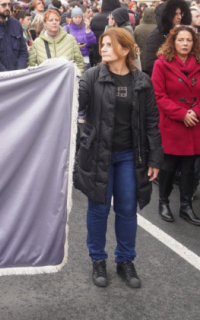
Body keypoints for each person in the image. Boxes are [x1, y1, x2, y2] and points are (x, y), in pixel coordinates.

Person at [75, 28, 163, 289]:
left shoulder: (141, 81)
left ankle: (125, 260)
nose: (103, 49)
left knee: (126, 209)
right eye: (102, 44)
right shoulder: (91, 77)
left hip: (129, 156)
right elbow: (73, 102)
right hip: (97, 154)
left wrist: (155, 159)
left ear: (125, 50)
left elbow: (151, 123)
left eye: (109, 45)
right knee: (99, 209)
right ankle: (98, 260)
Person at [151, 26, 200, 226]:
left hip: (194, 123)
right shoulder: (161, 64)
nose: (185, 44)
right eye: (181, 40)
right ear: (173, 42)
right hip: (172, 123)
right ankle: (163, 202)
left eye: (189, 40)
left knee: (190, 169)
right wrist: (182, 114)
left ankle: (186, 206)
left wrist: (195, 112)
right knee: (168, 167)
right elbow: (158, 95)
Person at [145, 0, 191, 76]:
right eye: (175, 14)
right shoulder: (155, 36)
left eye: (180, 13)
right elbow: (151, 65)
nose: (179, 17)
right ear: (167, 16)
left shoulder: (180, 33)